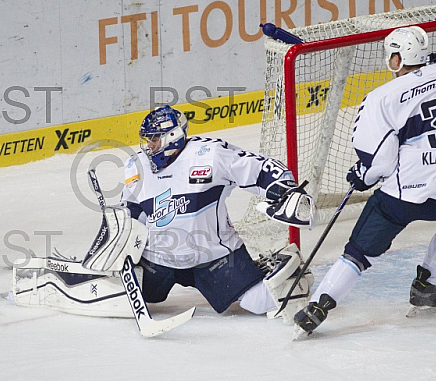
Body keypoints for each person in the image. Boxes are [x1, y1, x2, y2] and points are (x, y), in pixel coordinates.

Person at [294, 26, 436, 337]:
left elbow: (381, 162)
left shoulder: (381, 97)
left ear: (397, 59)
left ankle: (319, 305)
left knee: (359, 252)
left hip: (403, 198)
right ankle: (427, 285)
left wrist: (362, 177)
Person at [120, 105, 315, 324]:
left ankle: (290, 277)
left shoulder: (209, 154)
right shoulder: (137, 166)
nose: (149, 147)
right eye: (147, 140)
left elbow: (258, 167)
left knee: (258, 303)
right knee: (121, 298)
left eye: (154, 140)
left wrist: (284, 190)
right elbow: (129, 213)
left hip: (213, 256)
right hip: (159, 258)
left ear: (172, 137)